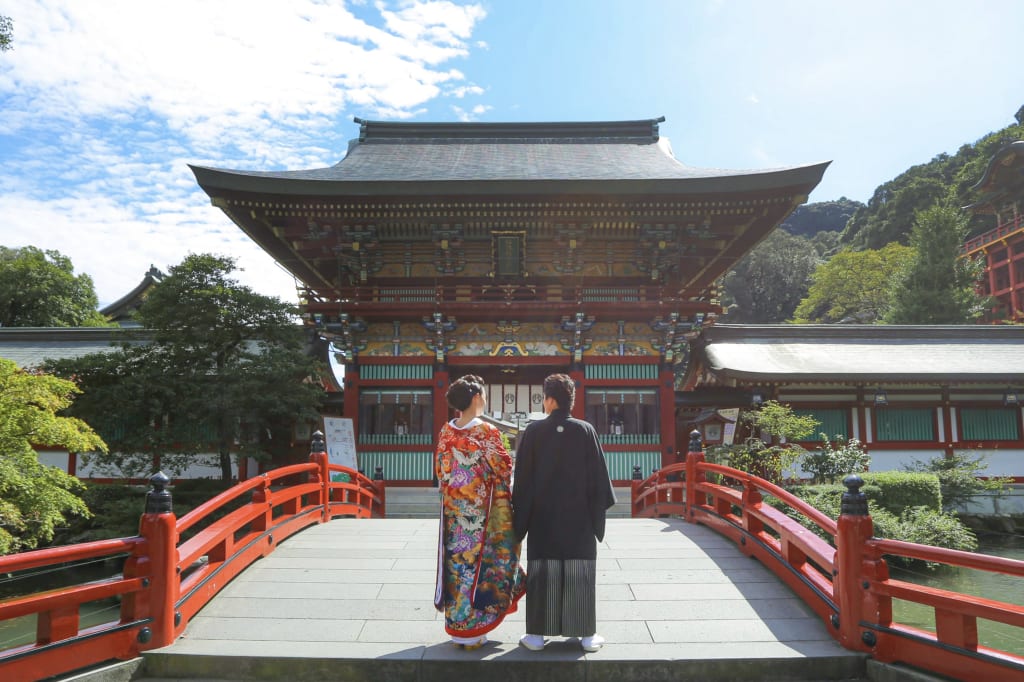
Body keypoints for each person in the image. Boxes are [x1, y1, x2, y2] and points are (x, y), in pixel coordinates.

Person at [512, 373, 617, 652]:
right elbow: (599, 481)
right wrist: (595, 516)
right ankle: (586, 635)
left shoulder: (533, 432)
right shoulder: (585, 430)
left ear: (549, 400)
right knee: (579, 570)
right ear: (571, 400)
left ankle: (536, 635)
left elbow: (522, 482)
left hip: (542, 520)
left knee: (542, 571)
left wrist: (519, 523)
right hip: (579, 520)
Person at [434, 375, 526, 649]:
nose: (485, 400)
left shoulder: (446, 431)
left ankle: (457, 627)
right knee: (478, 568)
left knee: (456, 568)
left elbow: (441, 470)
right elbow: (503, 467)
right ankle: (474, 630)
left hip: (453, 513)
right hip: (480, 515)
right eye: (483, 395)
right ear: (476, 398)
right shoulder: (486, 431)